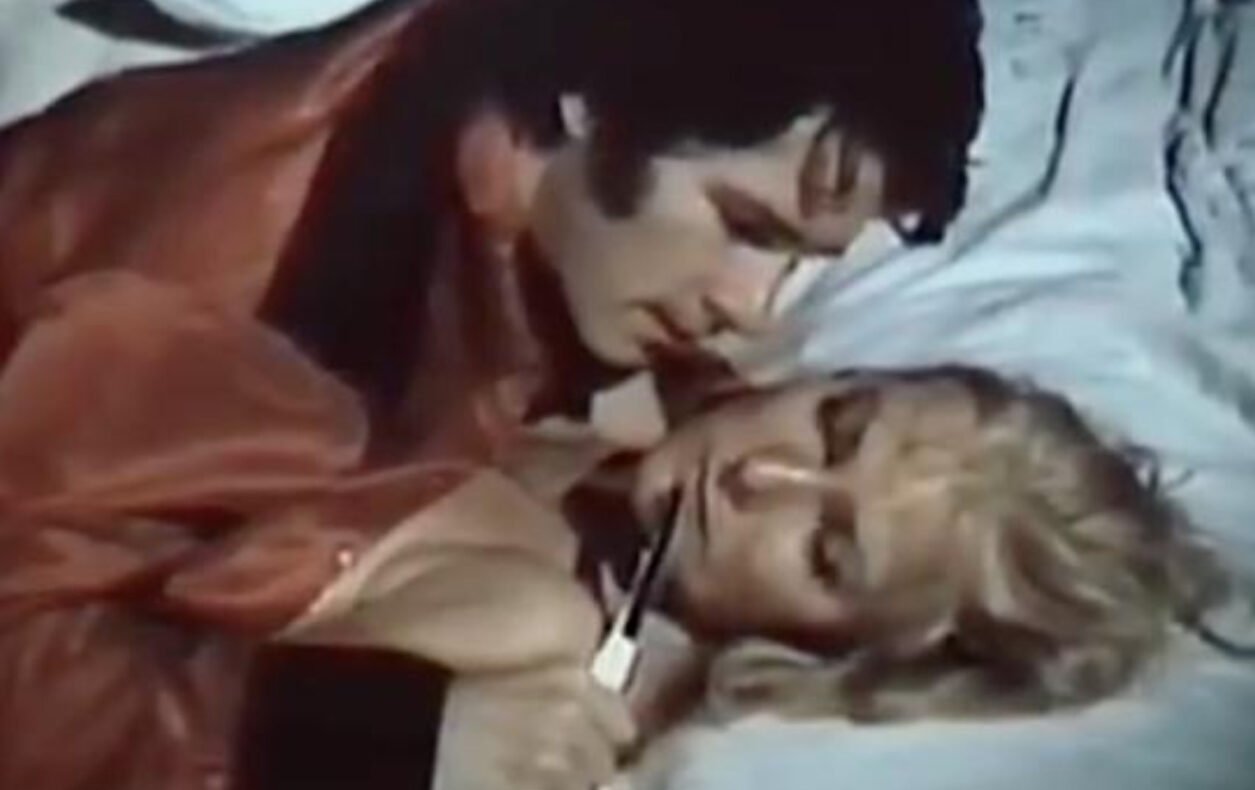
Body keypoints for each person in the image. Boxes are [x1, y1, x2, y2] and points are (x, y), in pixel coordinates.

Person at [0, 0, 984, 788]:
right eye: (741, 225)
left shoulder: (522, 186)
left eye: (794, 261)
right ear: (587, 101)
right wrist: (378, 738)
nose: (752, 309)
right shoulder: (244, 283)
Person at [289, 364, 1242, 790]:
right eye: (834, 426)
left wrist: (380, 737)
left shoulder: (535, 630)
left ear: (837, 653)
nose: (759, 477)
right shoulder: (633, 386)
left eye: (826, 553)